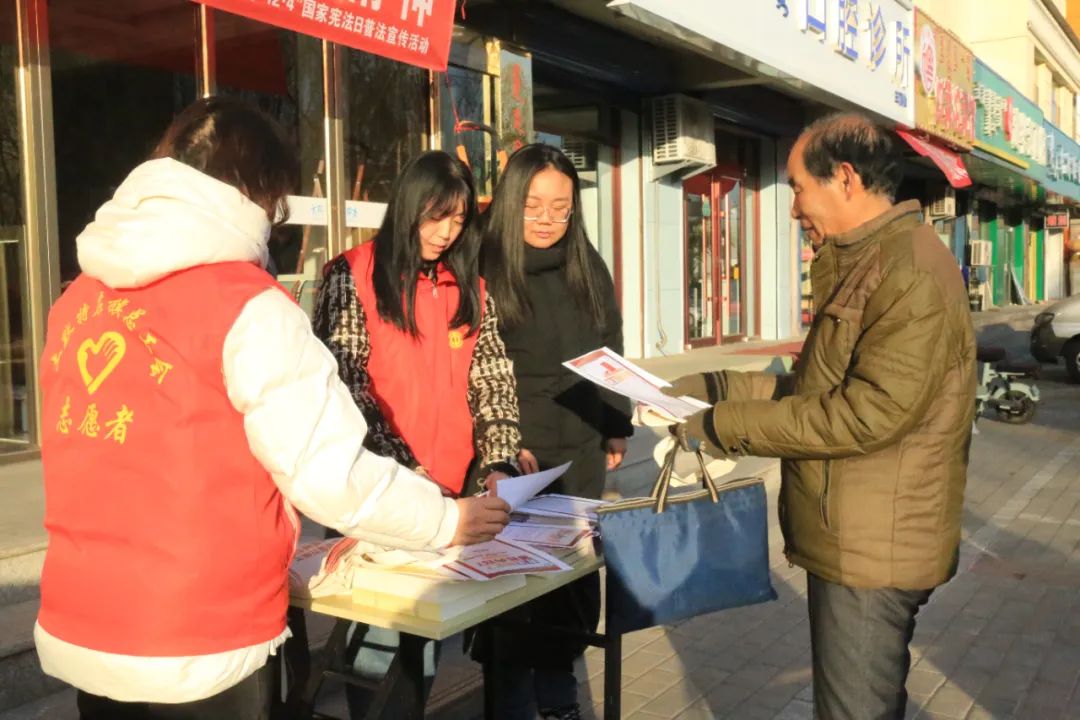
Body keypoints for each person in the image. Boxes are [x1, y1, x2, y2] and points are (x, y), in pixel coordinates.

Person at [35, 97, 510, 720]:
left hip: (83, 620)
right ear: (256, 190)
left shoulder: (75, 302)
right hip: (201, 637)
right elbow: (328, 474)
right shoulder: (248, 305)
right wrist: (445, 521)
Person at [668, 113, 976, 720]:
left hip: (872, 548)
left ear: (845, 178)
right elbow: (817, 388)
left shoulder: (908, 270)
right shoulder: (872, 261)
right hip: (855, 533)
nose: (793, 209)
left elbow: (865, 414)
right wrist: (714, 388)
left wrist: (723, 426)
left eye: (797, 188)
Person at [312, 149, 522, 715]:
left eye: (457, 220)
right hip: (376, 490)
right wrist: (407, 470)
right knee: (373, 646)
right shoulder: (352, 274)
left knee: (423, 639)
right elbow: (346, 385)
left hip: (448, 494)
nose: (445, 232)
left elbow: (491, 377)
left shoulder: (468, 285)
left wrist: (499, 460)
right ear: (408, 206)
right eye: (435, 216)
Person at [474, 143, 633, 720]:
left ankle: (560, 698)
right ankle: (511, 702)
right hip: (518, 455)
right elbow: (472, 367)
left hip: (580, 444)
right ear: (511, 202)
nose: (546, 219)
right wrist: (496, 446)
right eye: (533, 206)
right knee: (512, 591)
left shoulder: (585, 262)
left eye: (560, 208)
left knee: (570, 583)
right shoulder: (484, 264)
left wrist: (616, 424)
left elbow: (609, 343)